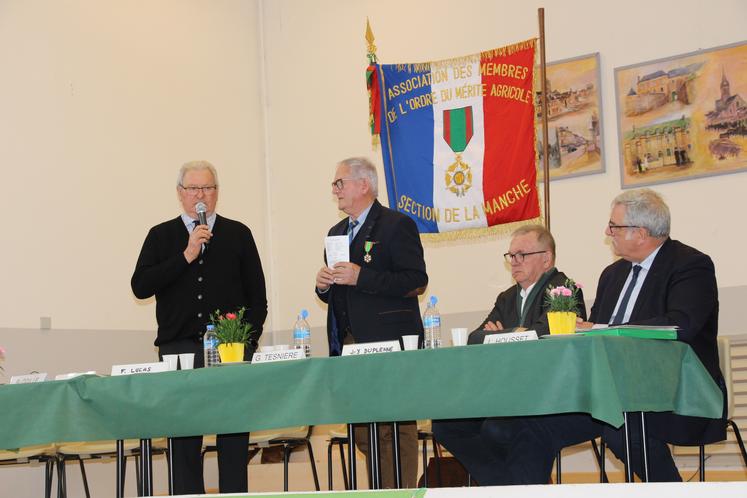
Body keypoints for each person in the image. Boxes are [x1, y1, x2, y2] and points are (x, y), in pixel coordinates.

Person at [131, 160, 267, 494]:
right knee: (183, 436)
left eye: (207, 188)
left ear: (217, 193)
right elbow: (140, 286)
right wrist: (186, 254)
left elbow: (257, 297)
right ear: (180, 193)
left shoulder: (238, 233)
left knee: (234, 435)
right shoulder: (161, 235)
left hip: (230, 350)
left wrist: (246, 342)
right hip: (179, 348)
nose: (200, 195)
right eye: (193, 189)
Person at [576, 188, 725, 481]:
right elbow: (595, 328)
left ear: (641, 233)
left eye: (614, 226)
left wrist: (604, 330)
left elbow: (682, 325)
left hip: (674, 387)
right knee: (523, 427)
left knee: (619, 426)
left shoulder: (690, 265)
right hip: (609, 387)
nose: (608, 232)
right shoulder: (612, 274)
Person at [432, 225, 591, 485]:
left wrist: (502, 333)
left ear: (547, 258)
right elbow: (476, 338)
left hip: (545, 394)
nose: (514, 262)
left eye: (522, 255)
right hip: (504, 394)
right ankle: (502, 486)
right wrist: (515, 332)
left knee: (499, 428)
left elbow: (545, 333)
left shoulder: (564, 289)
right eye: (511, 256)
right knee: (446, 426)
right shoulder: (507, 297)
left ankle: (515, 487)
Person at [315, 156, 428, 488]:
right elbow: (340, 290)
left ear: (363, 185)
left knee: (395, 429)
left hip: (390, 343)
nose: (335, 190)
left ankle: (402, 494)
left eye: (340, 183)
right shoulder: (335, 233)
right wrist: (323, 286)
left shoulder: (396, 224)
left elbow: (416, 281)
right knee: (363, 433)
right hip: (351, 344)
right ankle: (379, 493)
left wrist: (362, 276)